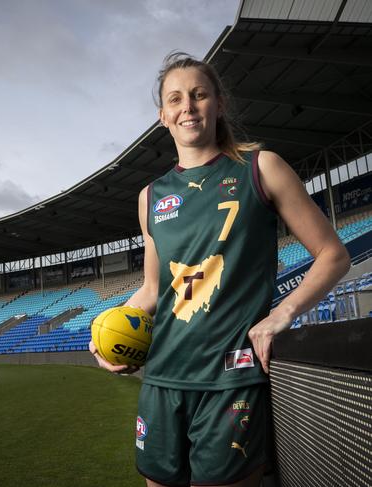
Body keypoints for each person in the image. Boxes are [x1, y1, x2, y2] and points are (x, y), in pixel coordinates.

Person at [89, 52, 350, 487]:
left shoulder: (260, 167)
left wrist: (281, 315)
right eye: (175, 99)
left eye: (199, 95)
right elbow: (153, 289)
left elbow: (333, 255)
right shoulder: (150, 196)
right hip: (162, 380)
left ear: (218, 104)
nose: (187, 107)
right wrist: (104, 332)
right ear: (163, 117)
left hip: (230, 380)